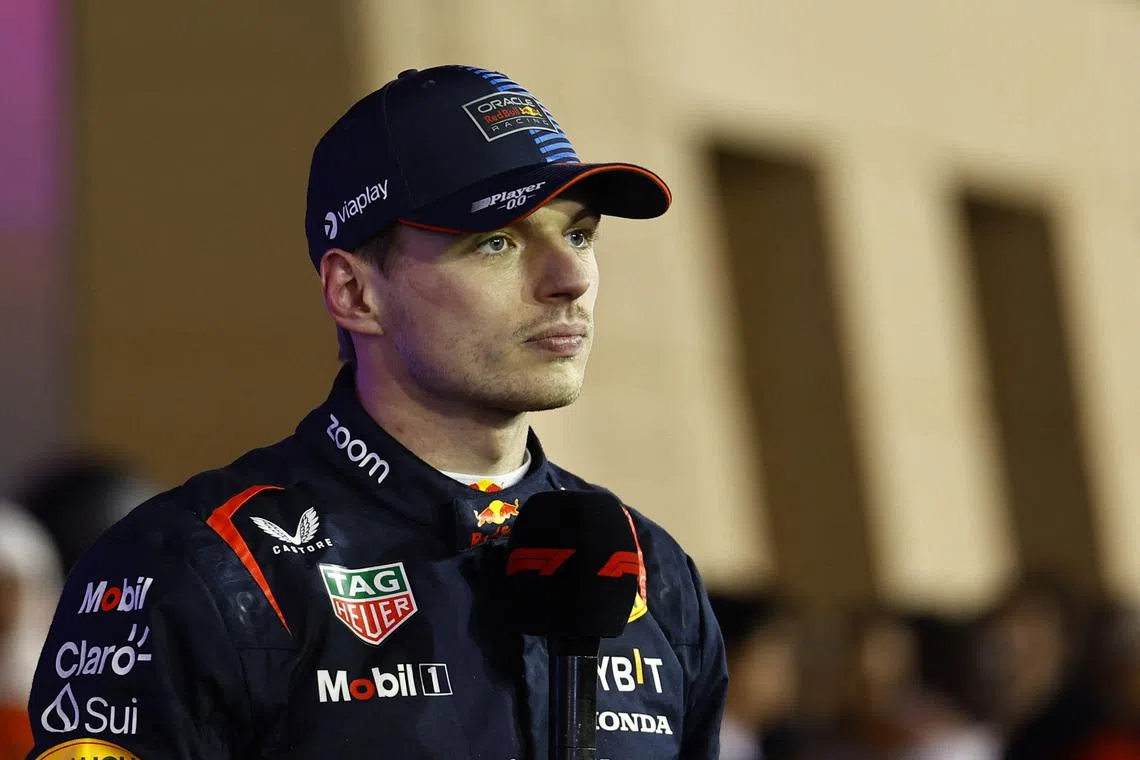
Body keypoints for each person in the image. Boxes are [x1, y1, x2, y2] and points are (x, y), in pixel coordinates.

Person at [25, 65, 727, 760]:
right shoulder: (201, 568)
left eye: (578, 235)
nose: (569, 280)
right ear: (355, 293)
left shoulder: (649, 570)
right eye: (498, 242)